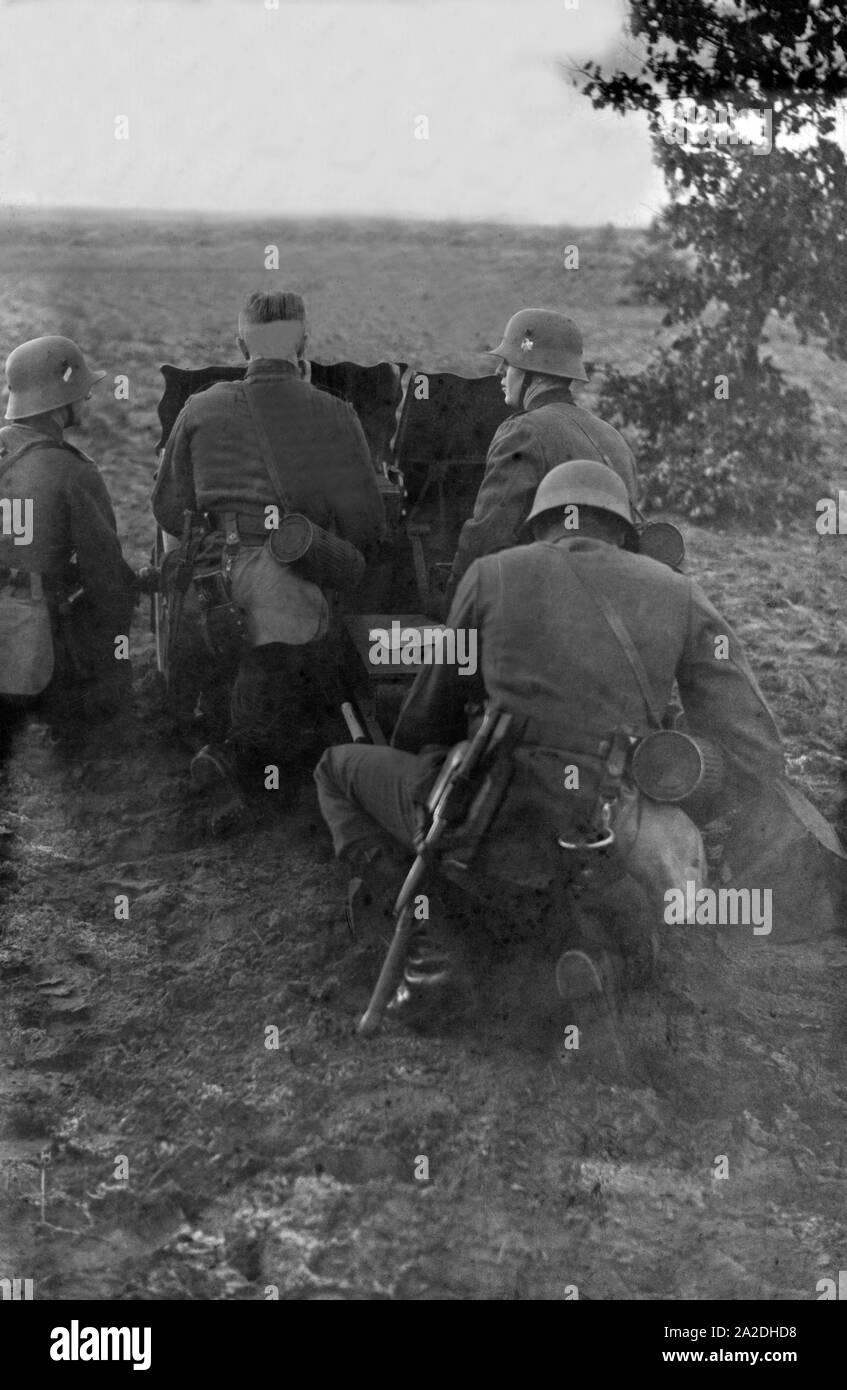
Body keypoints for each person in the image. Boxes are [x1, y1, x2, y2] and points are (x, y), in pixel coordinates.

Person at [316, 460, 785, 1027]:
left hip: (488, 821)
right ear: (623, 530)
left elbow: (423, 723)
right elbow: (756, 746)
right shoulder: (679, 594)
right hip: (607, 836)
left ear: (539, 524)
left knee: (337, 772)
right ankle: (602, 954)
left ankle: (436, 958)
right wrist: (676, 767)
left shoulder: (492, 574)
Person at [152, 289, 385, 824]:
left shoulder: (200, 407)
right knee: (302, 680)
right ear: (304, 344)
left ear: (240, 345)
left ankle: (223, 742)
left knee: (257, 684)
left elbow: (168, 509)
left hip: (206, 592)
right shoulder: (333, 413)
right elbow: (367, 526)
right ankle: (241, 760)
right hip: (283, 595)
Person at [0, 335, 139, 757]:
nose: (89, 397)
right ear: (59, 402)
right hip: (33, 640)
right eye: (82, 390)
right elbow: (106, 579)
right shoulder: (73, 471)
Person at [448, 308, 639, 592]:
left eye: (509, 362)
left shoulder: (523, 432)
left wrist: (452, 607)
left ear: (534, 373)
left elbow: (487, 539)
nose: (500, 371)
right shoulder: (613, 437)